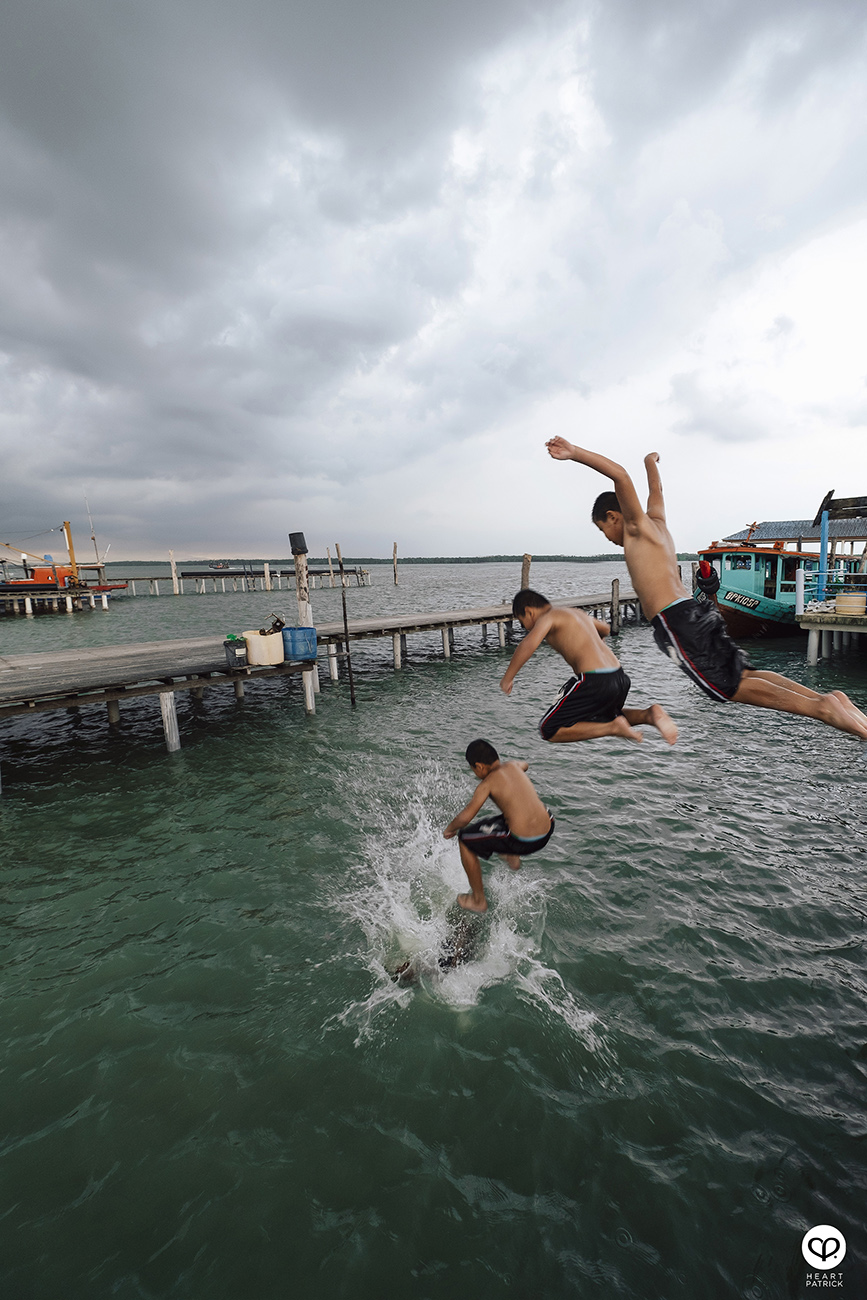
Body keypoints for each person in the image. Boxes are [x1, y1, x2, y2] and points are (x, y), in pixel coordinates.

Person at [546, 437, 867, 739]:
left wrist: (574, 452)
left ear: (614, 516)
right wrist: (651, 461)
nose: (609, 539)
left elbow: (620, 476)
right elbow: (655, 489)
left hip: (675, 620)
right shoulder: (657, 522)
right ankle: (827, 699)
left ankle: (821, 709)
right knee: (743, 673)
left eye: (604, 530)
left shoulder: (634, 528)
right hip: (695, 611)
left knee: (727, 686)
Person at [501, 588, 677, 745]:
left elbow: (528, 645)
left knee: (549, 729)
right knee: (602, 717)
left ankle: (613, 729)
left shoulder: (548, 617)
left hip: (594, 679)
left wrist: (508, 678)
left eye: (522, 622)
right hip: (619, 676)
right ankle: (649, 715)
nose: (525, 628)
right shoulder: (576, 613)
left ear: (529, 612)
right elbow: (605, 629)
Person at [443, 739, 555, 912]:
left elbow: (466, 817)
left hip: (524, 840)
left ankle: (478, 900)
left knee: (465, 838)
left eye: (473, 769)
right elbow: (525, 764)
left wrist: (450, 829)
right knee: (512, 811)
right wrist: (517, 768)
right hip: (548, 827)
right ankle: (511, 855)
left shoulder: (487, 783)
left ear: (479, 766)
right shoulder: (513, 766)